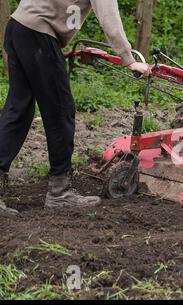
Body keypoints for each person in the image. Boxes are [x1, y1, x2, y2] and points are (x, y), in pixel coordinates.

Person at [0, 0, 150, 216]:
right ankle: (60, 193)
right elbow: (108, 14)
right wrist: (128, 59)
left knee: (18, 109)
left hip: (18, 27)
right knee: (60, 112)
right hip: (40, 34)